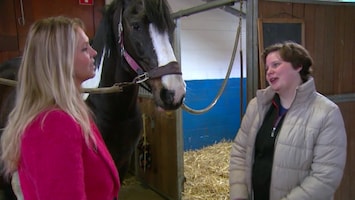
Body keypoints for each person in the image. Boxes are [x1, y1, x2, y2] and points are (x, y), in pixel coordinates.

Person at [0, 16, 120, 200]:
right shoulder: (53, 124)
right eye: (84, 48)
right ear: (60, 60)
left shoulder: (71, 112)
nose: (94, 52)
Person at [229, 41, 347, 200]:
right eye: (267, 68)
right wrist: (239, 195)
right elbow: (239, 153)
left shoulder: (327, 113)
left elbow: (325, 177)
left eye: (276, 64)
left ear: (298, 65)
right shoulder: (256, 106)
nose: (269, 72)